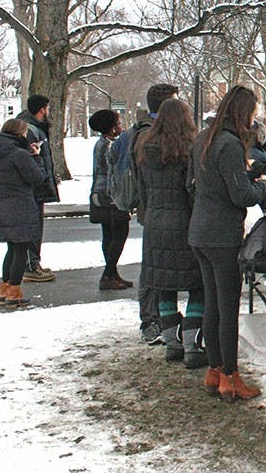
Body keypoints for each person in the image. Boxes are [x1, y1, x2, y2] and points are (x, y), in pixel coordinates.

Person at [188, 85, 266, 401]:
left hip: (199, 231)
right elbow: (242, 196)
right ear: (243, 113)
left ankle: (214, 370)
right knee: (227, 308)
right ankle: (229, 377)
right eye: (252, 113)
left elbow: (195, 185)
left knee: (212, 304)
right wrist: (262, 184)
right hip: (222, 235)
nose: (254, 119)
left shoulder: (204, 140)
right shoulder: (231, 145)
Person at [135, 98, 205, 368]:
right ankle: (192, 344)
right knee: (196, 284)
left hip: (155, 223)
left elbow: (142, 190)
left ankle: (171, 344)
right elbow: (192, 191)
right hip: (185, 223)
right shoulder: (190, 149)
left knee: (164, 286)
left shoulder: (146, 149)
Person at [110, 83, 180, 344]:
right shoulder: (149, 136)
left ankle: (158, 316)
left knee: (156, 264)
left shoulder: (135, 132)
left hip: (150, 207)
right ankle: (151, 319)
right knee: (154, 267)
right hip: (155, 207)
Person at [0, 118, 49, 308]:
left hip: (2, 205)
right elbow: (37, 178)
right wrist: (36, 156)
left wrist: (0, 194)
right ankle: (14, 292)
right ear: (20, 133)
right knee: (21, 250)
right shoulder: (19, 154)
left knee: (11, 248)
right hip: (22, 205)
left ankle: (3, 289)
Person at [88, 110, 133, 290]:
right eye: (118, 123)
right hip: (110, 195)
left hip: (100, 193)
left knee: (108, 234)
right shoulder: (109, 146)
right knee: (120, 232)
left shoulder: (101, 143)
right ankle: (108, 273)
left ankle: (112, 273)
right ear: (112, 128)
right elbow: (115, 169)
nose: (121, 127)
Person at [16, 94, 58, 282]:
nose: (48, 112)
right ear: (42, 109)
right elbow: (31, 160)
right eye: (47, 108)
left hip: (34, 186)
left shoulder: (28, 126)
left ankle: (33, 263)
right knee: (33, 227)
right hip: (34, 187)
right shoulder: (31, 130)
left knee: (32, 227)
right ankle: (31, 265)